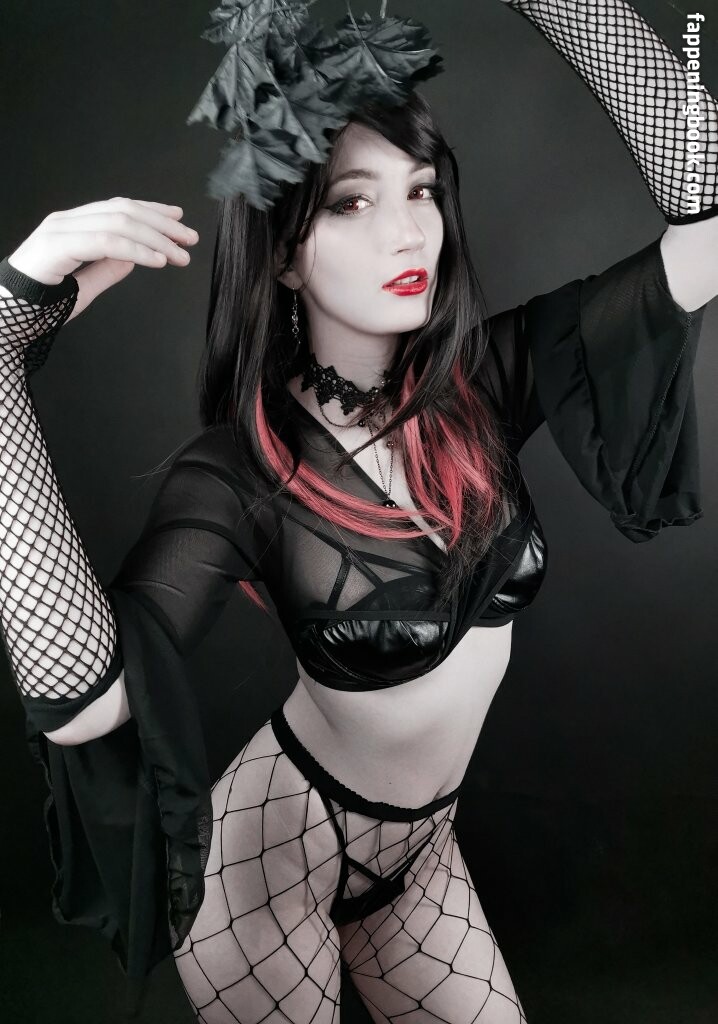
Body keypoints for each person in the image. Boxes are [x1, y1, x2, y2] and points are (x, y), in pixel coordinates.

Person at [0, 1, 716, 1021]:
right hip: (267, 866)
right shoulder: (241, 472)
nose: (407, 229)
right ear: (283, 253)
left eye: (420, 189)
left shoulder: (483, 383)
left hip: (421, 850)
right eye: (351, 203)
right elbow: (84, 704)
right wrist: (0, 355)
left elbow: (707, 225)